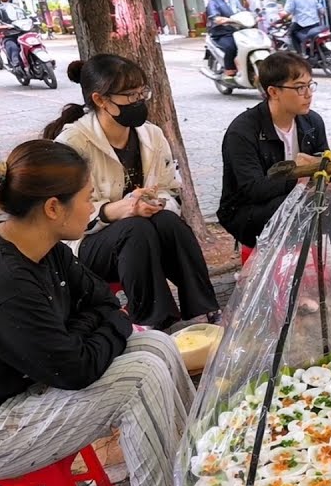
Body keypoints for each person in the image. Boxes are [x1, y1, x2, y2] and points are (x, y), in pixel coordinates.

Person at [0, 140, 205, 486]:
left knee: (155, 342)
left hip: (34, 382)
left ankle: (196, 469)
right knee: (140, 375)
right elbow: (77, 367)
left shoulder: (48, 249)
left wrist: (87, 329)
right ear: (53, 207)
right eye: (88, 198)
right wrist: (94, 328)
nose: (93, 207)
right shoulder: (2, 281)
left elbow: (104, 303)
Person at [42, 55, 221, 330]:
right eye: (130, 95)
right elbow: (66, 217)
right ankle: (150, 319)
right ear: (101, 100)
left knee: (169, 222)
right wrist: (122, 209)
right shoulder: (73, 143)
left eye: (142, 93)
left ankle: (203, 307)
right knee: (135, 228)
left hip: (143, 234)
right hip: (87, 245)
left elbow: (171, 188)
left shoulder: (152, 135)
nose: (139, 101)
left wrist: (157, 203)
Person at [218, 52, 331, 249]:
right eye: (299, 87)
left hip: (301, 197)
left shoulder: (312, 122)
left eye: (310, 85)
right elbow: (253, 189)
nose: (308, 94)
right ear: (273, 92)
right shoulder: (243, 131)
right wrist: (299, 176)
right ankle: (289, 265)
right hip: (247, 211)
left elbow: (325, 165)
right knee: (309, 204)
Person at [206, 0, 247, 81]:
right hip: (222, 33)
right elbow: (214, 17)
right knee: (231, 46)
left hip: (238, 31)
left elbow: (243, 11)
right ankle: (229, 70)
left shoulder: (235, 0)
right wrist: (221, 19)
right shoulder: (213, 2)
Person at [0, 0, 26, 73]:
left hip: (23, 32)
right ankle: (16, 65)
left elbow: (27, 17)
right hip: (9, 35)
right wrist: (6, 26)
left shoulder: (17, 7)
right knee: (13, 47)